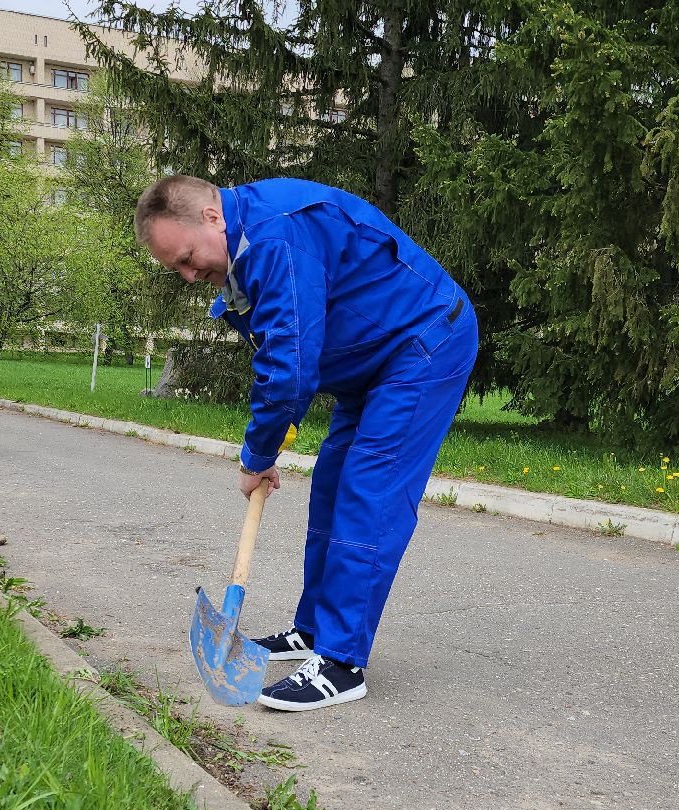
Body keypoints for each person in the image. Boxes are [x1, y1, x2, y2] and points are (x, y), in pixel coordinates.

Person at [135, 175, 479, 713]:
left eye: (185, 258)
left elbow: (289, 369)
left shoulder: (273, 239)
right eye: (174, 268)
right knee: (332, 485)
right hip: (373, 361)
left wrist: (257, 456)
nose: (186, 275)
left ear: (210, 217)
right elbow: (289, 349)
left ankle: (342, 663)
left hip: (424, 341)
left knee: (370, 488)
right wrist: (269, 445)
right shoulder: (244, 246)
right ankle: (315, 631)